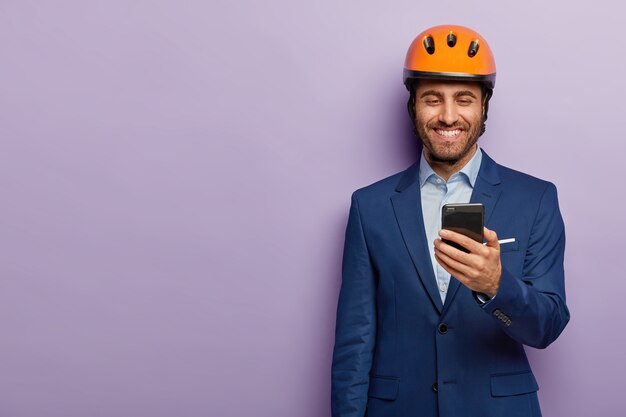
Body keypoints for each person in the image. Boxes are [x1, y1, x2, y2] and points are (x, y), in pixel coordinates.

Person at [331, 25, 570, 417]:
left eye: (464, 99)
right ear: (413, 107)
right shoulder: (369, 206)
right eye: (431, 99)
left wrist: (496, 285)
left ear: (484, 107)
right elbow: (354, 342)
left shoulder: (536, 199)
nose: (447, 115)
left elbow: (547, 327)